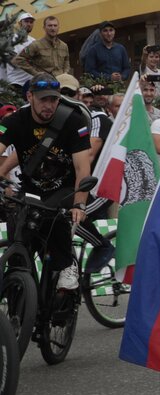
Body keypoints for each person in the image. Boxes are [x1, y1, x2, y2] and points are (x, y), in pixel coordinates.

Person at [0, 73, 91, 290]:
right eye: (43, 99)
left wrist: (79, 204)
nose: (49, 105)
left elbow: (82, 167)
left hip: (66, 188)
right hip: (31, 188)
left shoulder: (73, 122)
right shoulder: (14, 121)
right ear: (30, 96)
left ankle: (67, 265)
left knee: (53, 217)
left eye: (54, 99)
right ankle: (17, 296)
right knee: (18, 231)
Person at [0, 12, 36, 95]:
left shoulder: (34, 41)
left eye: (31, 22)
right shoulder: (12, 39)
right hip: (16, 82)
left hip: (31, 83)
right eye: (26, 21)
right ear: (20, 23)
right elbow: (14, 60)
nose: (29, 24)